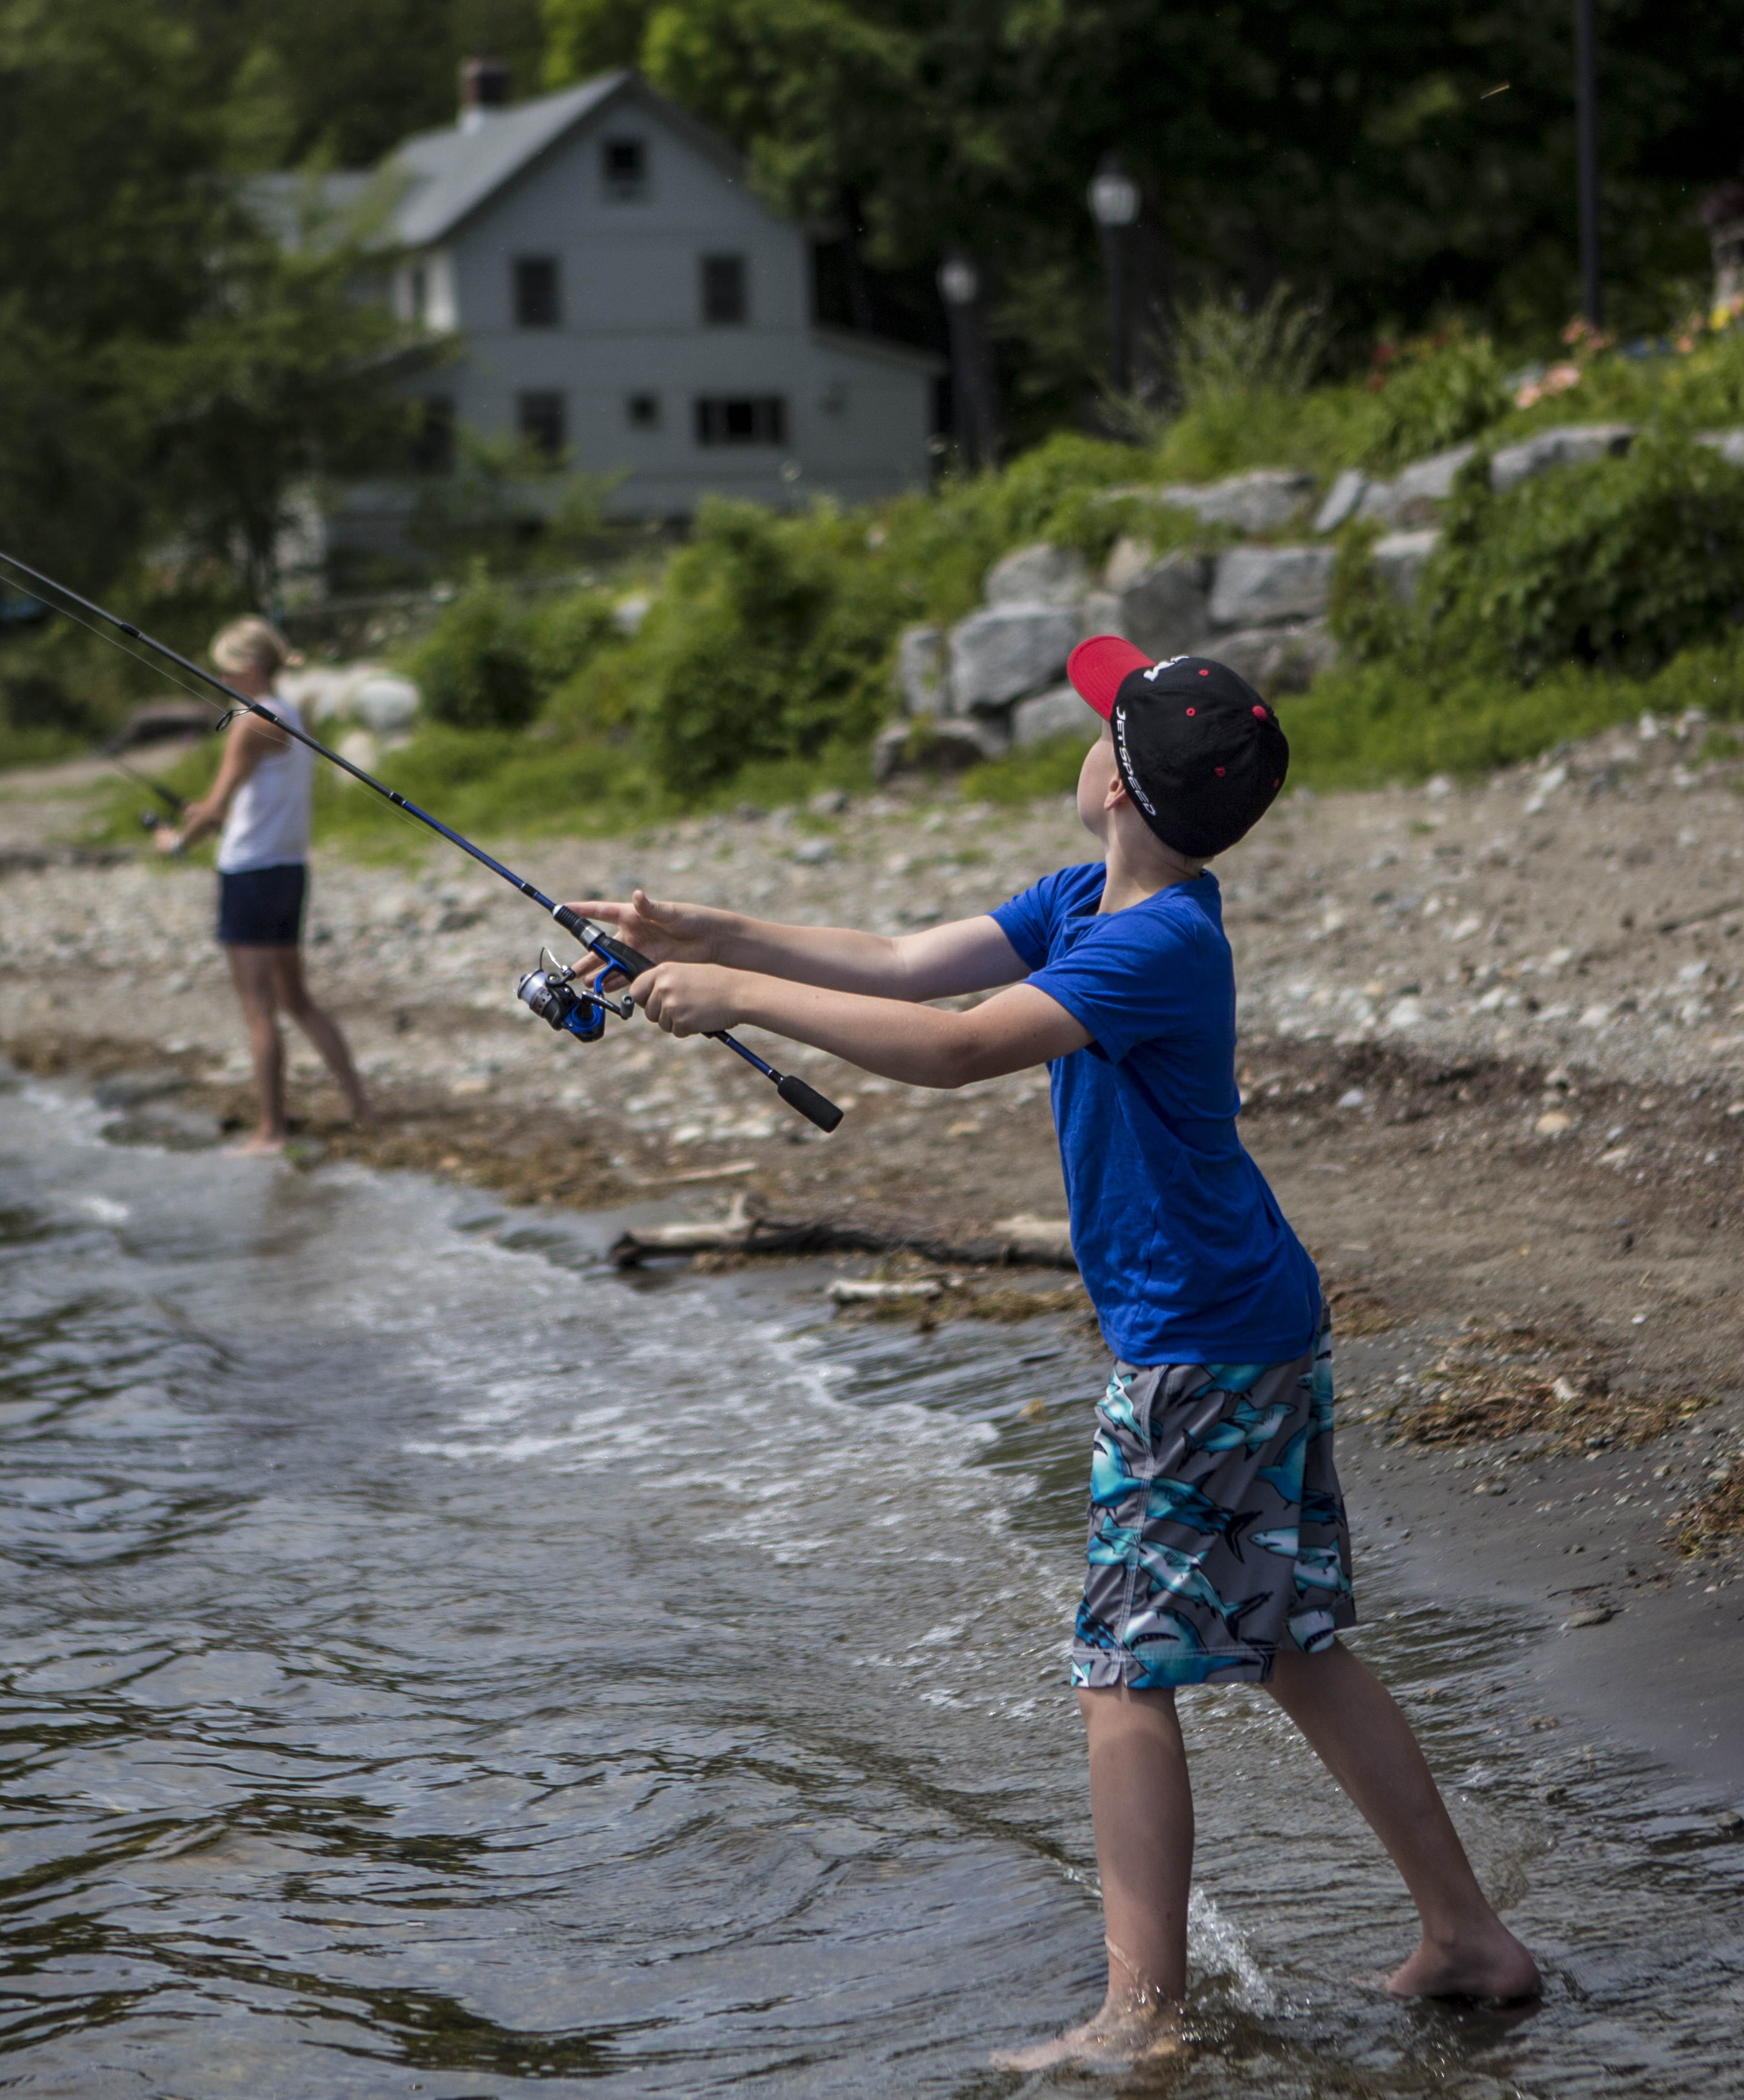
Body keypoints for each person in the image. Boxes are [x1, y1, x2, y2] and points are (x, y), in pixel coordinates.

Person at [571, 637, 1536, 2068]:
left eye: (1096, 726)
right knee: (1293, 1647)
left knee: (1119, 1668)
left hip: (1196, 1351)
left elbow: (959, 1045)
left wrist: (741, 1004)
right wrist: (699, 931)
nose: (1077, 741)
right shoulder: (1093, 897)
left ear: (1117, 786)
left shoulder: (1155, 942)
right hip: (1239, 1322)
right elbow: (904, 961)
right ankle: (1466, 1938)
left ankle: (1138, 2015)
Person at [152, 617, 371, 1155]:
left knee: (258, 1010)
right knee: (297, 1000)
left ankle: (270, 1131)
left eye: (225, 666)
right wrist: (207, 818)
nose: (219, 676)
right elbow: (255, 804)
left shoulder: (251, 722)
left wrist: (176, 842)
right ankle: (361, 1106)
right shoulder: (295, 714)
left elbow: (217, 805)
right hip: (288, 869)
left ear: (250, 666)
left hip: (248, 874)